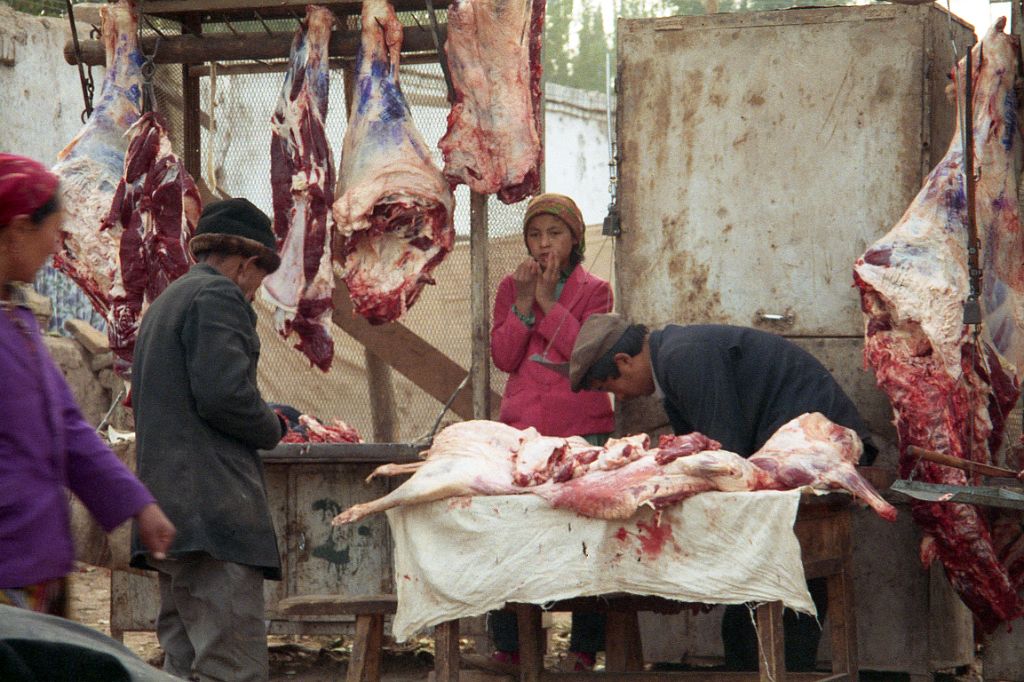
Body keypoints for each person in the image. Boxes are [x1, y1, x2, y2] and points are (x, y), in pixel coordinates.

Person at [567, 313, 878, 673]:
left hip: (821, 446)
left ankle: (780, 670)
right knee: (758, 601)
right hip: (795, 450)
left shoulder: (681, 358)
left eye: (612, 387)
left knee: (784, 583)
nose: (619, 397)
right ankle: (769, 668)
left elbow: (725, 457)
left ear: (624, 361)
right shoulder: (675, 361)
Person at [0, 153, 175, 617]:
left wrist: (138, 505)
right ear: (18, 230)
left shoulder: (17, 318)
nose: (56, 247)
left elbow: (67, 427)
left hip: (39, 566)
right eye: (52, 231)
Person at [129, 198, 287, 682]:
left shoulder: (168, 302)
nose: (257, 291)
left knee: (182, 663)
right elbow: (225, 397)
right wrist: (273, 427)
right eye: (260, 277)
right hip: (213, 518)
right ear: (244, 264)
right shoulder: (219, 298)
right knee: (229, 667)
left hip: (174, 517)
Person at [488, 193, 614, 672]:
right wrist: (523, 305)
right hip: (524, 429)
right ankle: (514, 643)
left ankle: (584, 647)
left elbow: (584, 352)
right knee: (513, 532)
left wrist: (547, 303)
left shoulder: (596, 290)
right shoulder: (510, 286)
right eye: (535, 235)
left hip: (582, 429)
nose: (544, 245)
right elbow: (504, 357)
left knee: (587, 535)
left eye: (554, 234)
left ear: (575, 238)